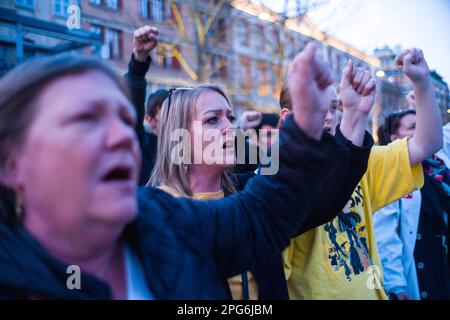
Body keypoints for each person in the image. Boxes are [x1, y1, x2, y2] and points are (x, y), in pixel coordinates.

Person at [0, 43, 351, 299]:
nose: (122, 137)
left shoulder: (163, 220)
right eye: (85, 119)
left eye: (125, 120)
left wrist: (306, 126)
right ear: (10, 162)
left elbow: (263, 215)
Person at [283, 48, 443, 300]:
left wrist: (421, 81)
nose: (327, 117)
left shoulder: (361, 162)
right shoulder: (276, 182)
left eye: (334, 107)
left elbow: (427, 143)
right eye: (315, 106)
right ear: (286, 117)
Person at [374, 109, 450, 300]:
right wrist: (397, 286)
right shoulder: (390, 174)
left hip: (442, 263)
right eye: (413, 127)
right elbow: (385, 236)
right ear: (394, 137)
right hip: (421, 268)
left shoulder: (438, 167)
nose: (422, 130)